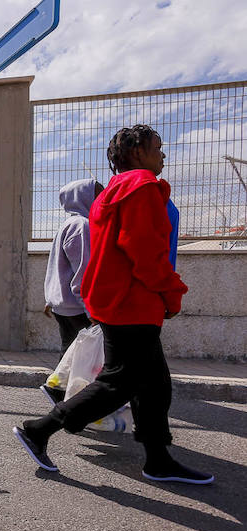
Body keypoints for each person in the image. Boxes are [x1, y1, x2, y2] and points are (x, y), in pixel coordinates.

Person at [13, 125, 214, 485]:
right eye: (158, 148)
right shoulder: (142, 187)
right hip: (133, 303)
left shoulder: (115, 191)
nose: (163, 155)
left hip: (120, 301)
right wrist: (172, 292)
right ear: (136, 151)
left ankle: (158, 459)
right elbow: (145, 253)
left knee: (154, 384)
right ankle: (38, 429)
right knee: (118, 382)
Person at [39, 178, 103, 405]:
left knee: (72, 351)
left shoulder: (68, 224)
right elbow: (82, 272)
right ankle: (68, 397)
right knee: (85, 356)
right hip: (77, 305)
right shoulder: (82, 226)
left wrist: (50, 299)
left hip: (63, 304)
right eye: (98, 194)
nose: (103, 199)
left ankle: (59, 392)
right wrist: (91, 309)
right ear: (84, 198)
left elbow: (57, 268)